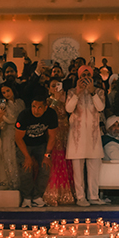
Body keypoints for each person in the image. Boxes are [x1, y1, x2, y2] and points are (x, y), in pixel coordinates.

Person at [66, 66, 108, 206]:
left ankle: (94, 196)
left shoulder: (99, 92)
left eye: (87, 75)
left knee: (94, 167)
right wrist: (77, 93)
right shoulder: (72, 92)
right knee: (77, 169)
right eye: (82, 75)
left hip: (93, 136)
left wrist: (92, 93)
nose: (85, 77)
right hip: (77, 137)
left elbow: (101, 108)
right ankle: (80, 197)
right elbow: (69, 109)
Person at [16, 91, 57, 207]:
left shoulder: (51, 114)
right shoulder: (24, 115)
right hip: (25, 144)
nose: (36, 110)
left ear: (45, 107)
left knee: (45, 168)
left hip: (41, 144)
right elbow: (18, 138)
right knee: (26, 169)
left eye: (40, 107)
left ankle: (37, 197)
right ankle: (26, 197)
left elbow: (52, 136)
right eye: (34, 107)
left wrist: (47, 155)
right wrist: (27, 157)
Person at [44, 77, 76, 205]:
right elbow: (48, 114)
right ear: (49, 88)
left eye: (57, 85)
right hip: (54, 133)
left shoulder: (66, 100)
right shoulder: (48, 101)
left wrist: (63, 100)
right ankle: (54, 193)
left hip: (66, 132)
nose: (55, 88)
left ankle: (69, 193)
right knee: (57, 160)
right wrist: (56, 100)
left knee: (68, 160)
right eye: (52, 86)